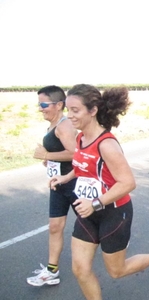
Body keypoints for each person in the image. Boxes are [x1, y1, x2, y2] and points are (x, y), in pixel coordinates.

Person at [49, 84, 149, 299]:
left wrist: (95, 203)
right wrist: (66, 177)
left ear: (93, 110)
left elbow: (127, 183)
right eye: (68, 110)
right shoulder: (81, 138)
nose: (69, 116)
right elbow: (83, 168)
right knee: (80, 269)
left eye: (75, 110)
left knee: (117, 271)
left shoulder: (106, 144)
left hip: (114, 213)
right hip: (87, 213)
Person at [27, 85, 78, 287]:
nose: (41, 108)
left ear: (58, 105)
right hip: (58, 184)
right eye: (39, 104)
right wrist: (50, 161)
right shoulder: (52, 125)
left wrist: (47, 155)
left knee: (93, 223)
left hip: (74, 182)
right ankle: (51, 271)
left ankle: (115, 237)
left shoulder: (64, 126)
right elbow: (61, 154)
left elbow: (75, 154)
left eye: (44, 104)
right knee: (55, 227)